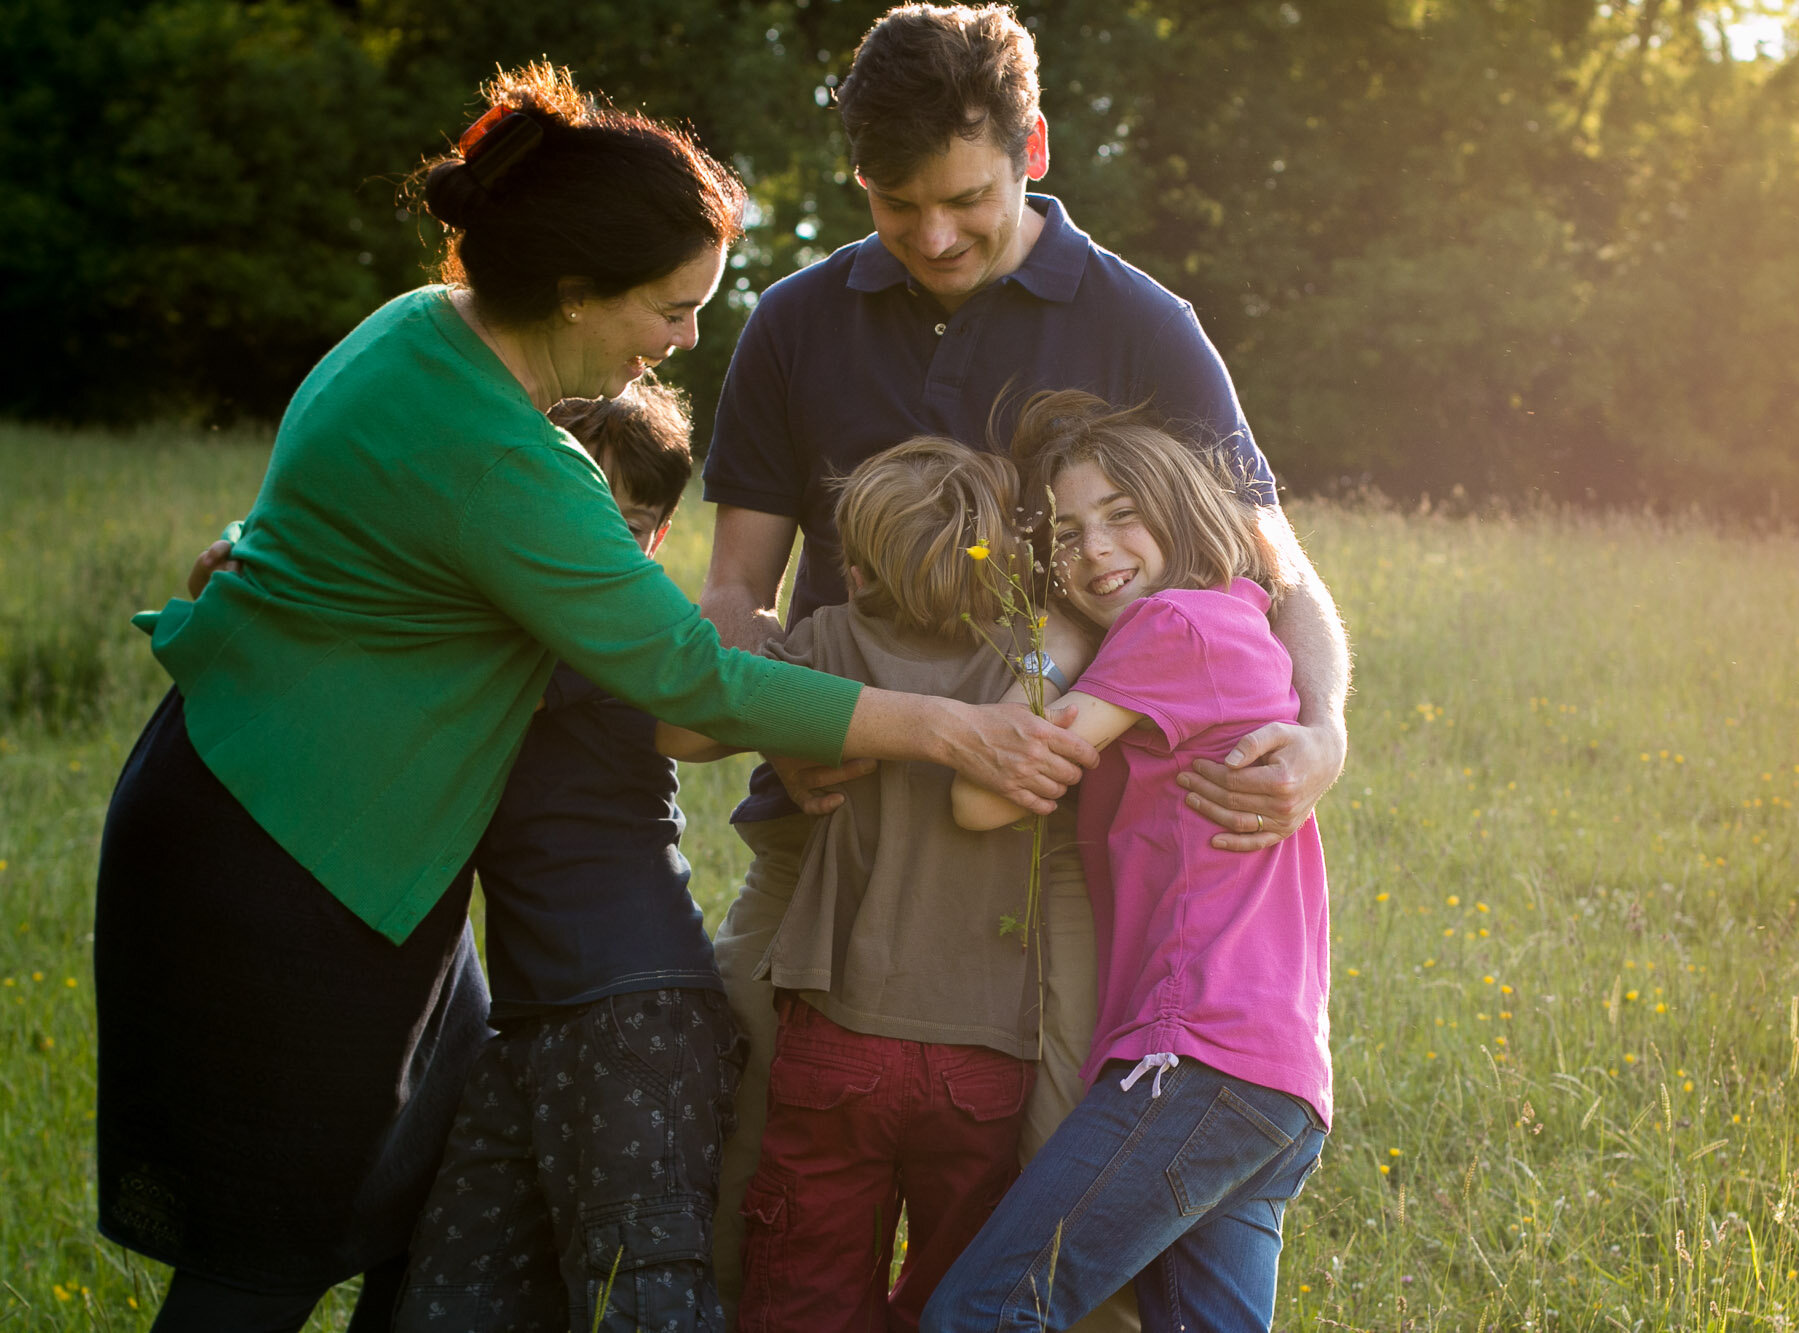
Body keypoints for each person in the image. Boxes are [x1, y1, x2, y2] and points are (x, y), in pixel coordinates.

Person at [93, 62, 1092, 1333]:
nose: (680, 341)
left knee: (421, 1186)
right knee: (269, 1241)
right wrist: (942, 724)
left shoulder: (414, 333)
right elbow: (681, 678)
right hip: (292, 852)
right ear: (574, 294)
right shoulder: (513, 463)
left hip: (310, 826)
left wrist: (248, 550)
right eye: (670, 308)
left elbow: (349, 511)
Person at [696, 5, 1350, 1320]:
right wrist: (784, 719)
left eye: (966, 200)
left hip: (1054, 862)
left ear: (1032, 146)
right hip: (832, 839)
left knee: (1052, 1224)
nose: (933, 239)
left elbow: (1284, 578)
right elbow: (729, 593)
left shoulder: (1143, 323)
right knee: (751, 1183)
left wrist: (1325, 730)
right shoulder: (797, 321)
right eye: (895, 207)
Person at [934, 390, 1332, 1330]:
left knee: (984, 1312)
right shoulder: (1241, 625)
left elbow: (983, 792)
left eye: (1122, 514)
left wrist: (1057, 645)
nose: (1096, 551)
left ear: (1184, 508)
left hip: (1194, 1057)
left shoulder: (1172, 629)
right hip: (1275, 1086)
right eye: (1066, 536)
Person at [390, 385, 741, 1333]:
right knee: (451, 1299)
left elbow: (412, 663)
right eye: (572, 514)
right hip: (528, 1020)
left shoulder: (618, 630)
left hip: (637, 1011)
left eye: (624, 524)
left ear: (655, 538)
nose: (594, 545)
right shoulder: (506, 620)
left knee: (646, 1301)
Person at [733, 438, 1073, 1332]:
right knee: (960, 1286)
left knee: (806, 1276)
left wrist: (766, 646)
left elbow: (734, 700)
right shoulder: (1033, 670)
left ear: (856, 562)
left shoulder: (825, 643)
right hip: (989, 1048)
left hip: (837, 1030)